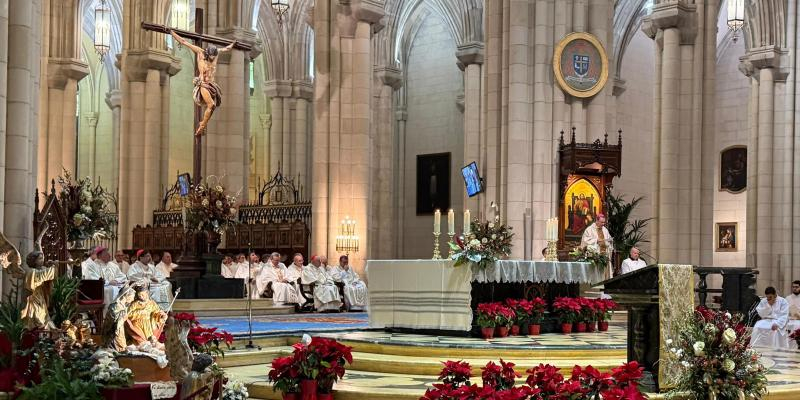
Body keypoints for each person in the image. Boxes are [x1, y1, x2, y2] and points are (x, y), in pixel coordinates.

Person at [170, 29, 236, 136]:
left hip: (212, 84)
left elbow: (227, 48)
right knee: (211, 105)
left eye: (214, 56)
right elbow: (184, 42)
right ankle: (202, 126)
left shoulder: (215, 53)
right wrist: (172, 33)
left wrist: (233, 43)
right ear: (207, 53)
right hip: (203, 84)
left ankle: (203, 124)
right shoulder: (200, 53)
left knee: (212, 107)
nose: (213, 58)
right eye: (211, 56)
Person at [21, 251, 57, 329]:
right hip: (32, 299)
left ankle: (45, 333)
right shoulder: (31, 271)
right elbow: (42, 276)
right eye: (40, 259)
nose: (42, 260)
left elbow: (46, 276)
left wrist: (49, 266)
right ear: (34, 261)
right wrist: (53, 267)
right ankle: (36, 334)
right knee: (37, 317)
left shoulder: (40, 269)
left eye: (42, 258)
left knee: (44, 316)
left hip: (39, 297)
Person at [102, 284, 136, 351]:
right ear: (126, 296)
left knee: (122, 346)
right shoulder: (115, 306)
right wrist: (122, 317)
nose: (133, 299)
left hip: (120, 330)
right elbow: (112, 321)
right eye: (132, 297)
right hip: (114, 332)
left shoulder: (123, 305)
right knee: (117, 347)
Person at [580, 213, 614, 279]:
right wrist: (596, 240)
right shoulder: (589, 230)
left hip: (605, 256)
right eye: (601, 222)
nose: (603, 224)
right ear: (597, 220)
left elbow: (608, 240)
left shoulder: (605, 230)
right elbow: (585, 241)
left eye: (604, 222)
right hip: (595, 257)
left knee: (605, 276)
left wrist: (610, 241)